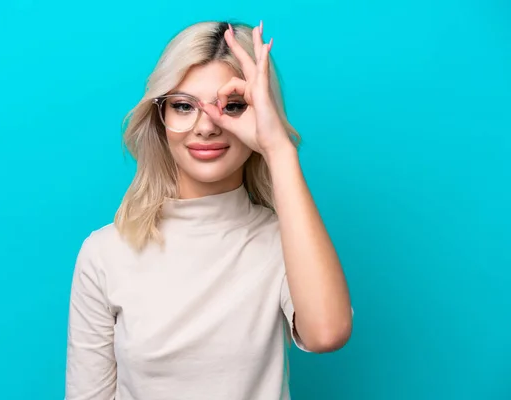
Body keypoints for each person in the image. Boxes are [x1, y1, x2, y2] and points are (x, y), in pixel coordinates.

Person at [65, 20, 353, 400]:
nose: (205, 127)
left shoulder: (284, 244)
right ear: (160, 118)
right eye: (184, 106)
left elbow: (327, 333)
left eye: (231, 106)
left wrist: (278, 148)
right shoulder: (105, 253)